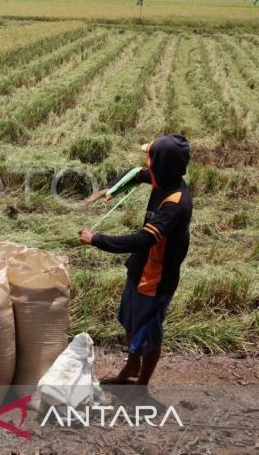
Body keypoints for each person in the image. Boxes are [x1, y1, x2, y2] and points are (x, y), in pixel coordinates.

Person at [79, 134, 192, 387]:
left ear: (161, 164)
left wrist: (97, 239)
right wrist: (109, 189)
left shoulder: (176, 204)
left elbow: (142, 240)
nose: (146, 164)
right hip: (140, 267)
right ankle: (131, 366)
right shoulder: (162, 178)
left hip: (156, 279)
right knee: (130, 320)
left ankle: (142, 384)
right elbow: (134, 173)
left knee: (149, 333)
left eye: (150, 158)